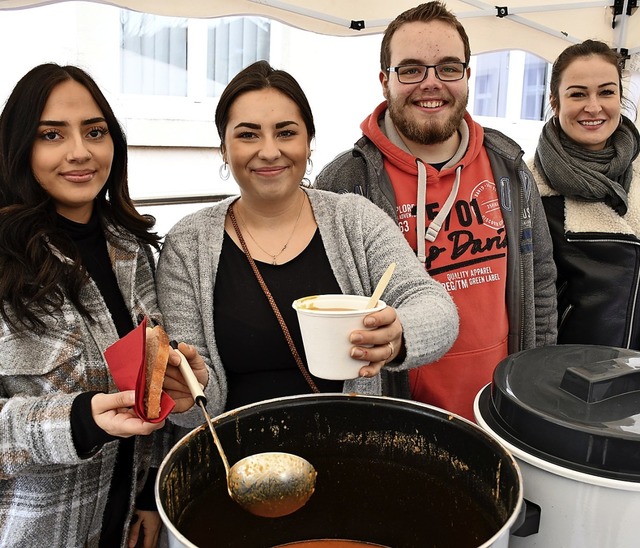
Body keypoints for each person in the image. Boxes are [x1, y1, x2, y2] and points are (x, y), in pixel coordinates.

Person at [156, 60, 458, 417]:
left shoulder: (354, 219)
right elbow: (190, 403)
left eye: (286, 133)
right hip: (239, 459)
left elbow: (436, 308)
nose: (269, 151)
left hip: (350, 446)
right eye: (248, 134)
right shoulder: (187, 245)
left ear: (309, 143)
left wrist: (398, 335)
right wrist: (193, 391)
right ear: (224, 148)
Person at [315, 1, 557, 421]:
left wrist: (535, 385)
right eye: (411, 69)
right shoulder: (344, 182)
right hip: (394, 416)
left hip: (502, 411)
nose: (431, 83)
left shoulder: (509, 166)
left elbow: (540, 282)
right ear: (384, 81)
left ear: (466, 76)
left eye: (447, 67)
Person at [0, 63, 207, 548]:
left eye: (95, 131)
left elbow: (149, 387)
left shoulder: (130, 248)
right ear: (17, 148)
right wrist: (78, 421)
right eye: (51, 134)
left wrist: (150, 496)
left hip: (123, 524)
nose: (80, 152)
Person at [529, 40, 640, 348]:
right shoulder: (528, 186)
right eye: (578, 94)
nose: (594, 107)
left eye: (606, 92)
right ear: (554, 101)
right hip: (565, 375)